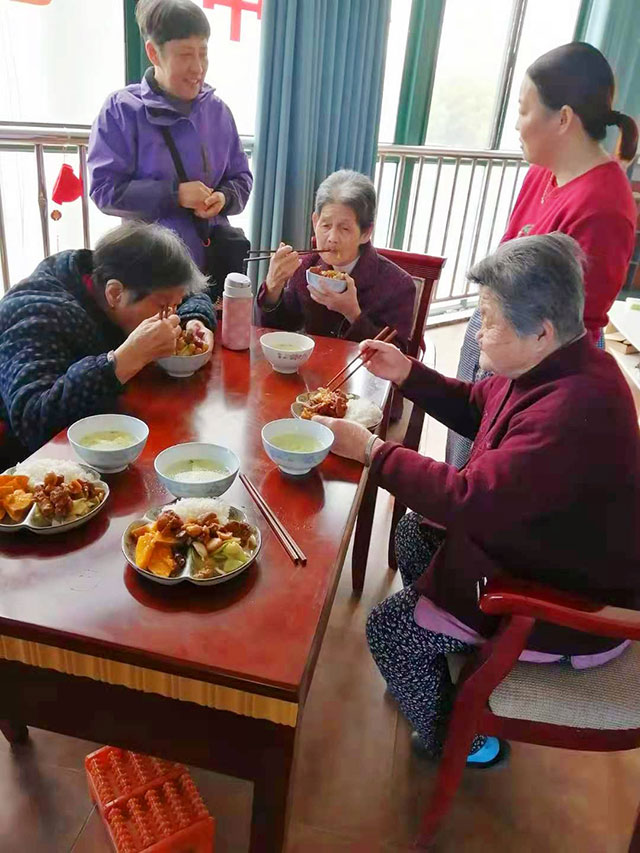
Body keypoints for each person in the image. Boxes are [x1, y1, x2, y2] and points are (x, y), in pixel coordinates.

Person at [314, 233, 640, 767]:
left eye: (488, 320)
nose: (478, 333)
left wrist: (373, 451)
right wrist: (407, 372)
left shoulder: (571, 409)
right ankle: (441, 651)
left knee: (387, 630)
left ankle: (465, 738)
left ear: (542, 330)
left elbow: (466, 498)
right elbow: (475, 406)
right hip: (532, 544)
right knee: (413, 531)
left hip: (564, 600)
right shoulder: (554, 365)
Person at [448, 42, 638, 469]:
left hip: (535, 362)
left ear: (564, 118)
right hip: (497, 332)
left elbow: (569, 332)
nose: (517, 125)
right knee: (464, 448)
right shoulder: (541, 173)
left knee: (487, 476)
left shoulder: (605, 205)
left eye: (523, 110)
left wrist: (503, 361)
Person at [0, 222, 215, 466]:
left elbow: (192, 294)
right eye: (164, 307)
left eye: (174, 306)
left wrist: (195, 319)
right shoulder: (36, 314)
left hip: (114, 437)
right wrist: (122, 361)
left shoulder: (127, 277)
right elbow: (33, 421)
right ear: (115, 293)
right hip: (31, 467)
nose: (171, 315)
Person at [88, 0, 252, 297]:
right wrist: (175, 195)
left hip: (211, 265)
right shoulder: (122, 111)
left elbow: (242, 179)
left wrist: (223, 197)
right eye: (186, 55)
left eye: (203, 53)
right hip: (151, 275)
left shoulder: (218, 112)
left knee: (208, 341)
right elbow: (104, 190)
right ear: (154, 53)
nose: (198, 68)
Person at [255, 170, 416, 352]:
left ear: (366, 233)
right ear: (315, 221)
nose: (332, 238)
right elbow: (278, 332)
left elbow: (398, 356)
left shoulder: (398, 285)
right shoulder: (306, 267)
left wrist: (353, 314)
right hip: (312, 372)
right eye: (325, 225)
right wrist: (272, 288)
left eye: (344, 228)